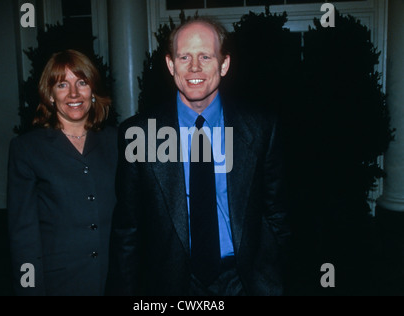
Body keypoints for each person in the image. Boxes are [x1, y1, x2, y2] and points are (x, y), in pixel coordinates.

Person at [106, 18, 290, 296]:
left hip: (243, 282)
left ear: (224, 64)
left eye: (205, 56)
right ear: (171, 65)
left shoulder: (261, 127)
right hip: (172, 284)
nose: (194, 67)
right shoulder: (139, 134)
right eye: (184, 57)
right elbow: (127, 230)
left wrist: (271, 275)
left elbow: (277, 215)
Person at [7, 49, 117, 296]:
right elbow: (22, 235)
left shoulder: (116, 142)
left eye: (82, 82)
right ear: (50, 95)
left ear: (93, 91)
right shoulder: (27, 149)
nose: (74, 93)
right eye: (62, 85)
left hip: (114, 279)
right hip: (59, 283)